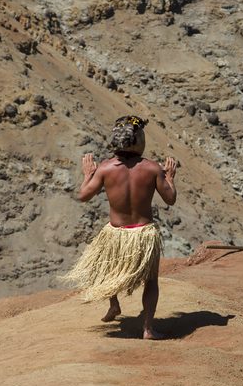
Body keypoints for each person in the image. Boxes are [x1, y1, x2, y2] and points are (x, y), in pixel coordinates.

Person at [62, 115, 178, 340]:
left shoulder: (105, 169)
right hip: (144, 234)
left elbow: (83, 195)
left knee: (107, 268)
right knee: (151, 281)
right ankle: (147, 329)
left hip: (116, 233)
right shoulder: (153, 168)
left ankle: (114, 304)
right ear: (137, 140)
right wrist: (171, 178)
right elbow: (170, 199)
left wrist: (87, 174)